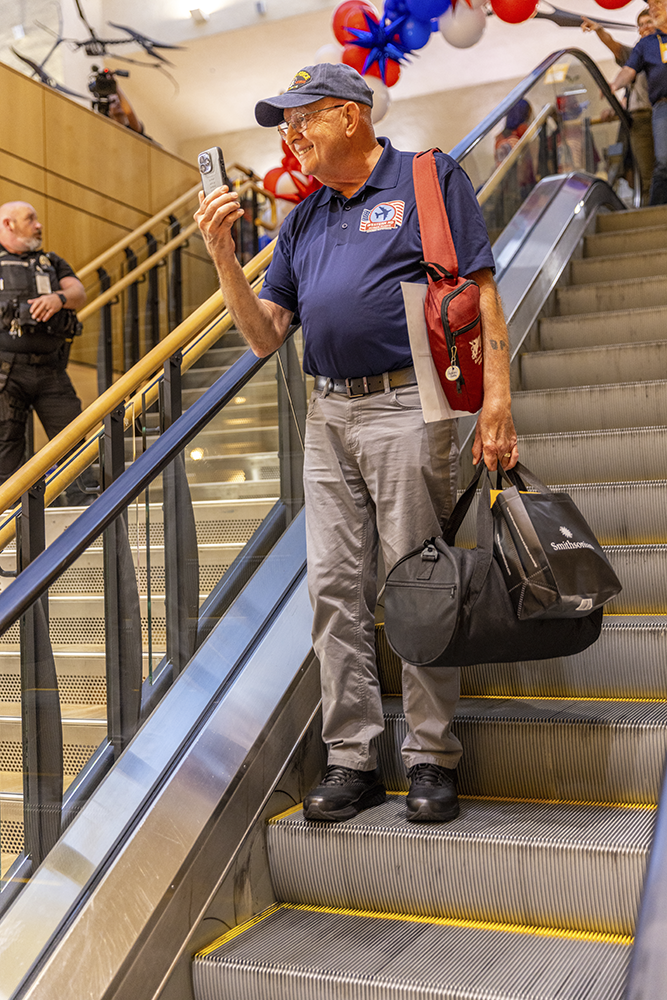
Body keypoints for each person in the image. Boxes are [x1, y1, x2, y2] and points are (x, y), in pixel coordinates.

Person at [195, 63, 517, 825]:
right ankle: (352, 759)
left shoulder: (424, 179)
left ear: (348, 114)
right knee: (333, 588)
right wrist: (219, 254)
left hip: (412, 401)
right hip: (328, 414)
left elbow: (481, 291)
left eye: (301, 119)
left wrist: (497, 402)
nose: (290, 136)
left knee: (417, 581)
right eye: (282, 126)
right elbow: (263, 337)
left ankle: (432, 758)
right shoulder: (301, 220)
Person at [0, 201, 94, 505]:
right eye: (30, 219)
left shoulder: (51, 261)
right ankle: (9, 526)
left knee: (74, 443)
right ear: (8, 224)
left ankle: (90, 517)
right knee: (5, 451)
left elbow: (77, 293)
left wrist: (58, 298)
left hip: (51, 372)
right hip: (5, 375)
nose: (39, 225)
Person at [582, 9, 655, 204]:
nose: (645, 27)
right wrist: (599, 30)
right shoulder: (635, 54)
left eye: (649, 22)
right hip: (640, 118)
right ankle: (651, 214)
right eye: (641, 24)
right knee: (647, 172)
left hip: (660, 111)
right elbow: (614, 46)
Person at [611, 0, 667, 203]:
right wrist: (614, 85)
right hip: (662, 107)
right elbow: (628, 70)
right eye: (650, 4)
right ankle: (656, 211)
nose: (654, 7)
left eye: (658, 2)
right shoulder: (646, 45)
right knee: (663, 161)